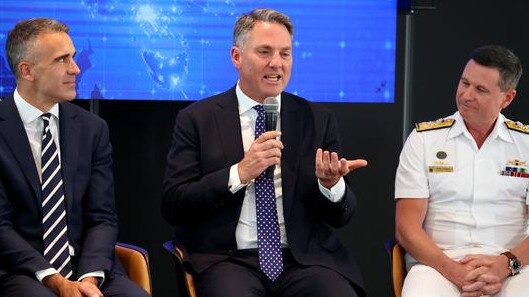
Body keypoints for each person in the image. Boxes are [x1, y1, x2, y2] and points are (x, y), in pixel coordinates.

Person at [162, 8, 367, 297]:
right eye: (265, 52)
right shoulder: (198, 118)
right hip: (229, 260)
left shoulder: (317, 119)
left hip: (302, 260)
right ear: (237, 56)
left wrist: (331, 186)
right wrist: (240, 172)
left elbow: (341, 216)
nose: (276, 64)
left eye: (285, 54)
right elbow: (174, 204)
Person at [0, 18, 148, 297]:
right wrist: (55, 281)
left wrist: (88, 280)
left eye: (74, 57)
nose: (76, 69)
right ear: (27, 70)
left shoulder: (92, 129)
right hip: (20, 270)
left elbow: (102, 217)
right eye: (61, 60)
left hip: (86, 267)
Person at [395, 45, 529, 297]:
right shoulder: (424, 140)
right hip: (438, 265)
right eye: (464, 82)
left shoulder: (526, 145)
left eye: (480, 90)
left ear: (507, 98)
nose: (466, 95)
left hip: (513, 265)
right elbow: (406, 227)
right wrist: (457, 272)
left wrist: (505, 264)